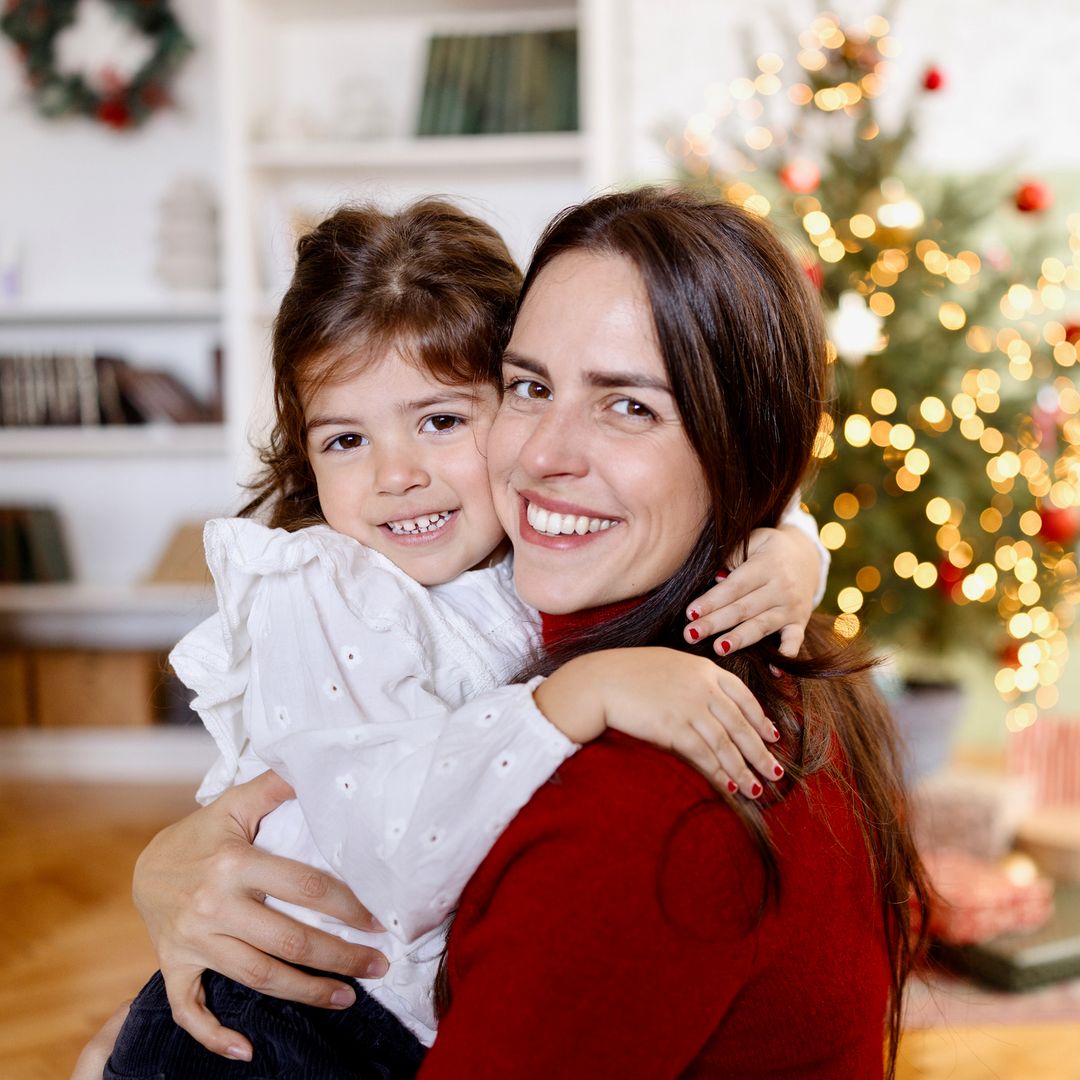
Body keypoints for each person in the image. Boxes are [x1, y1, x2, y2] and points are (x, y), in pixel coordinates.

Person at [96, 199, 828, 1079]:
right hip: (284, 1022)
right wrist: (575, 699)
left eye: (442, 420)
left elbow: (704, 464)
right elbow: (395, 854)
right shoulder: (322, 592)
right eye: (344, 439)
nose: (396, 476)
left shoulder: (522, 549)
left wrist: (792, 548)